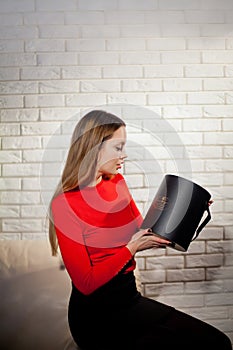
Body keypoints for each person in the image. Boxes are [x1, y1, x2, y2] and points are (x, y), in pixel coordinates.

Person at [48, 110, 232, 350]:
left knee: (216, 343)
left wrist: (189, 211)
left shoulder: (117, 183)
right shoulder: (64, 205)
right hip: (95, 318)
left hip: (128, 300)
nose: (124, 155)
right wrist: (132, 247)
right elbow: (86, 283)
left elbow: (145, 232)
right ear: (94, 149)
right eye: (118, 147)